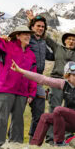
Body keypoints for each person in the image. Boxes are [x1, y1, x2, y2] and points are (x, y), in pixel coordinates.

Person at [10, 60, 75, 146]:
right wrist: (21, 71)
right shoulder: (63, 84)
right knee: (45, 117)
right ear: (67, 76)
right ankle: (34, 146)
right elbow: (43, 79)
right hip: (73, 123)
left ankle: (59, 142)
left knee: (58, 110)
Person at [0, 10, 37, 149]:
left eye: (29, 34)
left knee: (18, 121)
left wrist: (31, 92)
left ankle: (16, 148)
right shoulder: (6, 45)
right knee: (1, 119)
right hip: (5, 89)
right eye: (25, 34)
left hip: (22, 92)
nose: (28, 36)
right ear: (17, 36)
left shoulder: (31, 54)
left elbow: (33, 75)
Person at [25, 11, 55, 142]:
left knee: (39, 113)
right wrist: (30, 20)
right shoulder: (27, 38)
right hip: (24, 78)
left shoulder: (43, 42)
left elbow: (51, 56)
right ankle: (13, 140)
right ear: (32, 27)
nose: (40, 28)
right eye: (38, 26)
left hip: (38, 79)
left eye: (43, 26)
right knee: (17, 112)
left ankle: (34, 141)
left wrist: (62, 53)